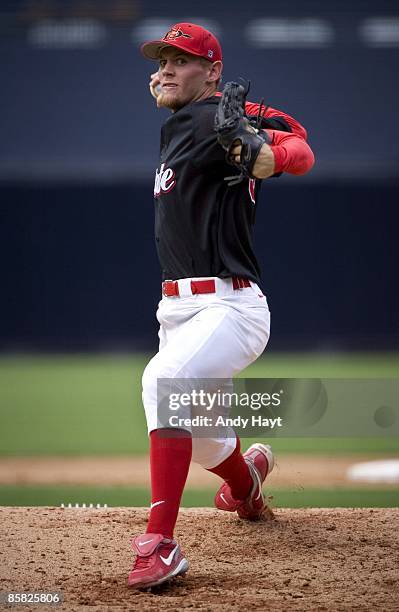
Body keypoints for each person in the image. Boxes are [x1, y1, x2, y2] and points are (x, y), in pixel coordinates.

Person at [128, 22, 315, 590]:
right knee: (208, 439)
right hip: (179, 312)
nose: (164, 68)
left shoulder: (215, 119)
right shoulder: (179, 127)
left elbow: (301, 150)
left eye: (179, 60)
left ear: (212, 71)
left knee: (163, 382)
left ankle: (158, 543)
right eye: (160, 59)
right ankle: (247, 487)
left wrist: (269, 155)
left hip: (230, 308)